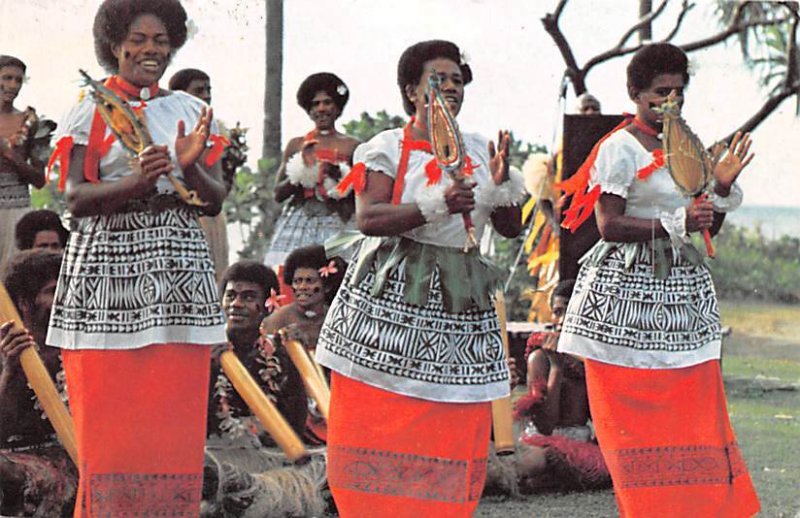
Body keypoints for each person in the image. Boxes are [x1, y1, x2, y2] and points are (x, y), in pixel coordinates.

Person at [315, 40, 525, 516]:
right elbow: (369, 218)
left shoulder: (478, 147)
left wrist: (504, 182)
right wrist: (437, 205)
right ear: (411, 91)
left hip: (460, 295)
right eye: (438, 79)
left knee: (451, 415)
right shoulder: (385, 146)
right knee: (385, 410)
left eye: (457, 79)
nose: (451, 87)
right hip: (395, 286)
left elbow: (509, 230)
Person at [557, 43, 759, 516]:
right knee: (634, 423)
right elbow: (608, 225)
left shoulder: (686, 146)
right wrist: (676, 221)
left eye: (678, 93)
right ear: (635, 93)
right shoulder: (618, 147)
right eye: (659, 93)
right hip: (625, 297)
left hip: (682, 302)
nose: (670, 102)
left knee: (692, 416)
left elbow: (705, 224)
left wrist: (721, 189)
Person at [45, 0, 228, 515]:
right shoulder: (90, 107)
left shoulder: (190, 112)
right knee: (112, 412)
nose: (152, 50)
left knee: (171, 408)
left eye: (162, 40)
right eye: (140, 39)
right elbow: (76, 197)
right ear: (114, 45)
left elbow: (214, 198)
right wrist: (137, 180)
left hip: (177, 266)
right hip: (107, 268)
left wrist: (188, 168)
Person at [509, 279, 610, 493]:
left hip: (582, 450)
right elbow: (545, 427)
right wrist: (556, 366)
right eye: (557, 312)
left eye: (570, 312)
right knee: (538, 459)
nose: (562, 320)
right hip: (541, 444)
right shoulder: (540, 358)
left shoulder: (592, 358)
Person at [0, 249, 77, 516]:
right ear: (23, 302)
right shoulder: (6, 350)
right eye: (52, 290)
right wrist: (12, 371)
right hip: (15, 461)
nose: (64, 299)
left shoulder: (80, 350)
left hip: (75, 459)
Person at [263, 72, 360, 274]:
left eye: (327, 102)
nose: (321, 108)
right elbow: (278, 194)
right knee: (296, 274)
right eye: (315, 104)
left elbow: (360, 193)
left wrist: (336, 176)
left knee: (337, 276)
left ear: (338, 107)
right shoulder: (297, 144)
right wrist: (302, 173)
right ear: (309, 109)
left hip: (339, 221)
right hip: (301, 219)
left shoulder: (352, 146)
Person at [208, 260, 307, 446]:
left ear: (267, 306)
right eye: (230, 296)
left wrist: (296, 363)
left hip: (270, 457)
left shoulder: (279, 352)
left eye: (248, 297)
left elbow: (295, 424)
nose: (236, 304)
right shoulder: (206, 351)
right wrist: (210, 373)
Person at [262, 244, 347, 445]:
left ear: (326, 286)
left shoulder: (338, 319)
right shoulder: (278, 319)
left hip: (332, 402)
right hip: (291, 402)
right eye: (298, 281)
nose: (302, 287)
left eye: (309, 281)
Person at [169, 67, 235, 282]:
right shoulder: (167, 129)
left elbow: (220, 183)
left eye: (208, 89)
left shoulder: (218, 130)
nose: (206, 95)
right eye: (199, 90)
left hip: (210, 215)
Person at [0, 56, 49, 266]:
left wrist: (9, 155)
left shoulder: (30, 122)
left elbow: (40, 179)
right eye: (7, 78)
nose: (13, 85)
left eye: (18, 80)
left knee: (13, 275)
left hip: (16, 211)